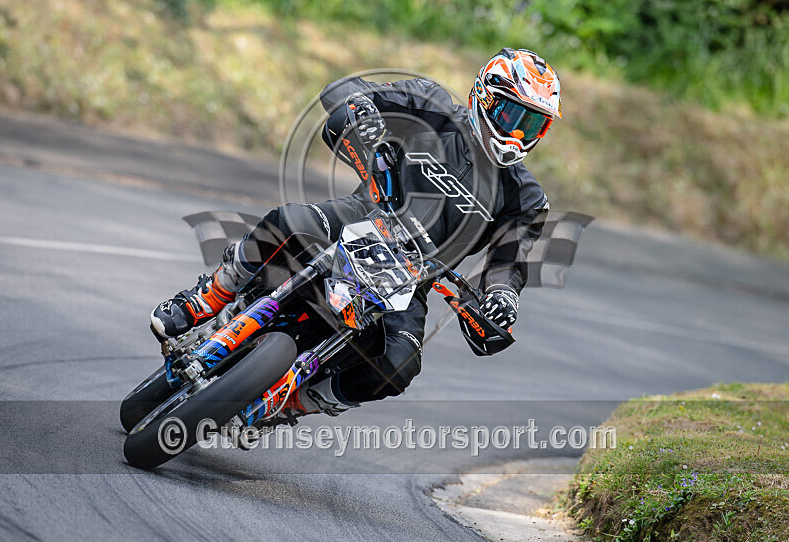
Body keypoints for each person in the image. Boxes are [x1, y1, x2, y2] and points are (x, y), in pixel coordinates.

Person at [150, 48, 561, 423]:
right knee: (288, 220)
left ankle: (295, 403)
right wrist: (363, 110)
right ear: (486, 97)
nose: (519, 134)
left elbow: (510, 260)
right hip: (362, 216)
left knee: (401, 365)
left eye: (533, 125)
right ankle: (209, 296)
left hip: (413, 279)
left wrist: (502, 296)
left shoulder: (525, 197)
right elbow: (341, 90)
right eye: (515, 116)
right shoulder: (431, 103)